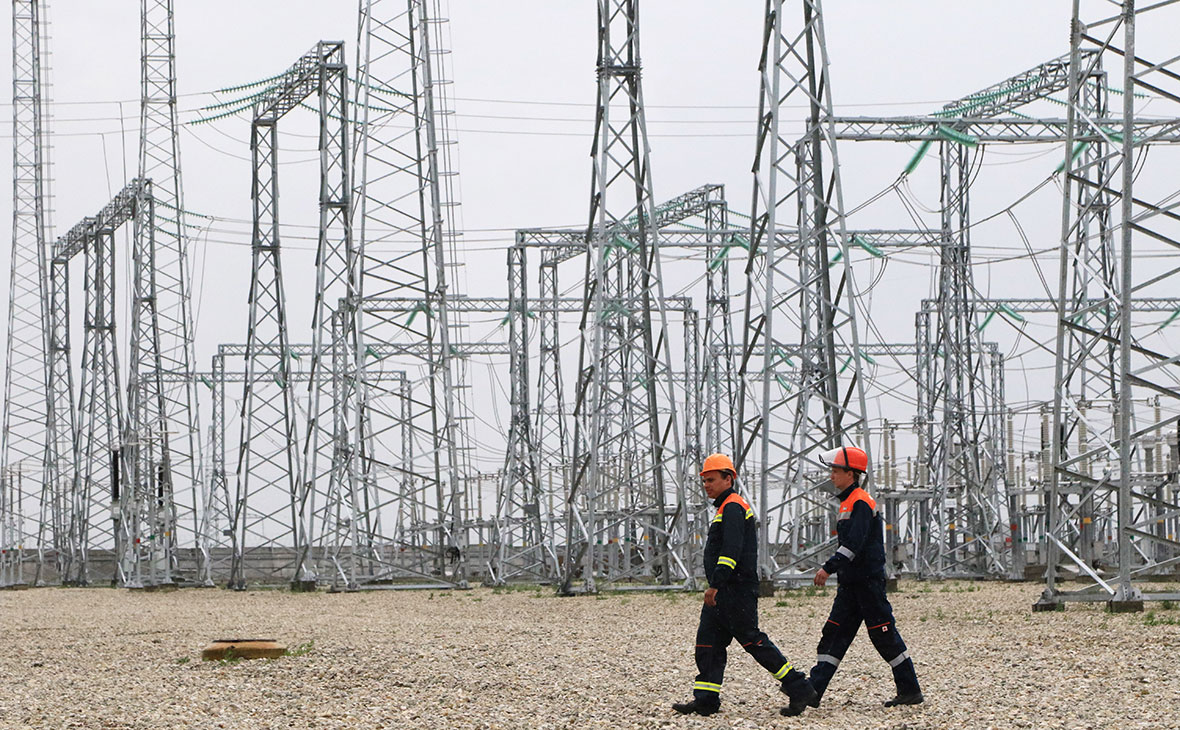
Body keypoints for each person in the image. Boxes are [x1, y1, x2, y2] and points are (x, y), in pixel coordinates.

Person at [781, 445, 923, 717]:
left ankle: (910, 690)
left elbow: (853, 545)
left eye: (835, 471)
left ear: (852, 473)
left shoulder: (859, 501)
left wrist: (828, 568)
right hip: (851, 584)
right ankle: (813, 691)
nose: (831, 475)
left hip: (866, 583)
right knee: (834, 634)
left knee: (884, 636)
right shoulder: (848, 501)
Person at [673, 453, 818, 717]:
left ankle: (799, 686)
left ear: (729, 479)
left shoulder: (733, 507)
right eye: (704, 480)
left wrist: (716, 584)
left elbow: (731, 551)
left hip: (734, 590)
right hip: (725, 591)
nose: (707, 484)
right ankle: (705, 700)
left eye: (712, 479)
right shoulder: (725, 507)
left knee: (753, 641)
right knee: (708, 644)